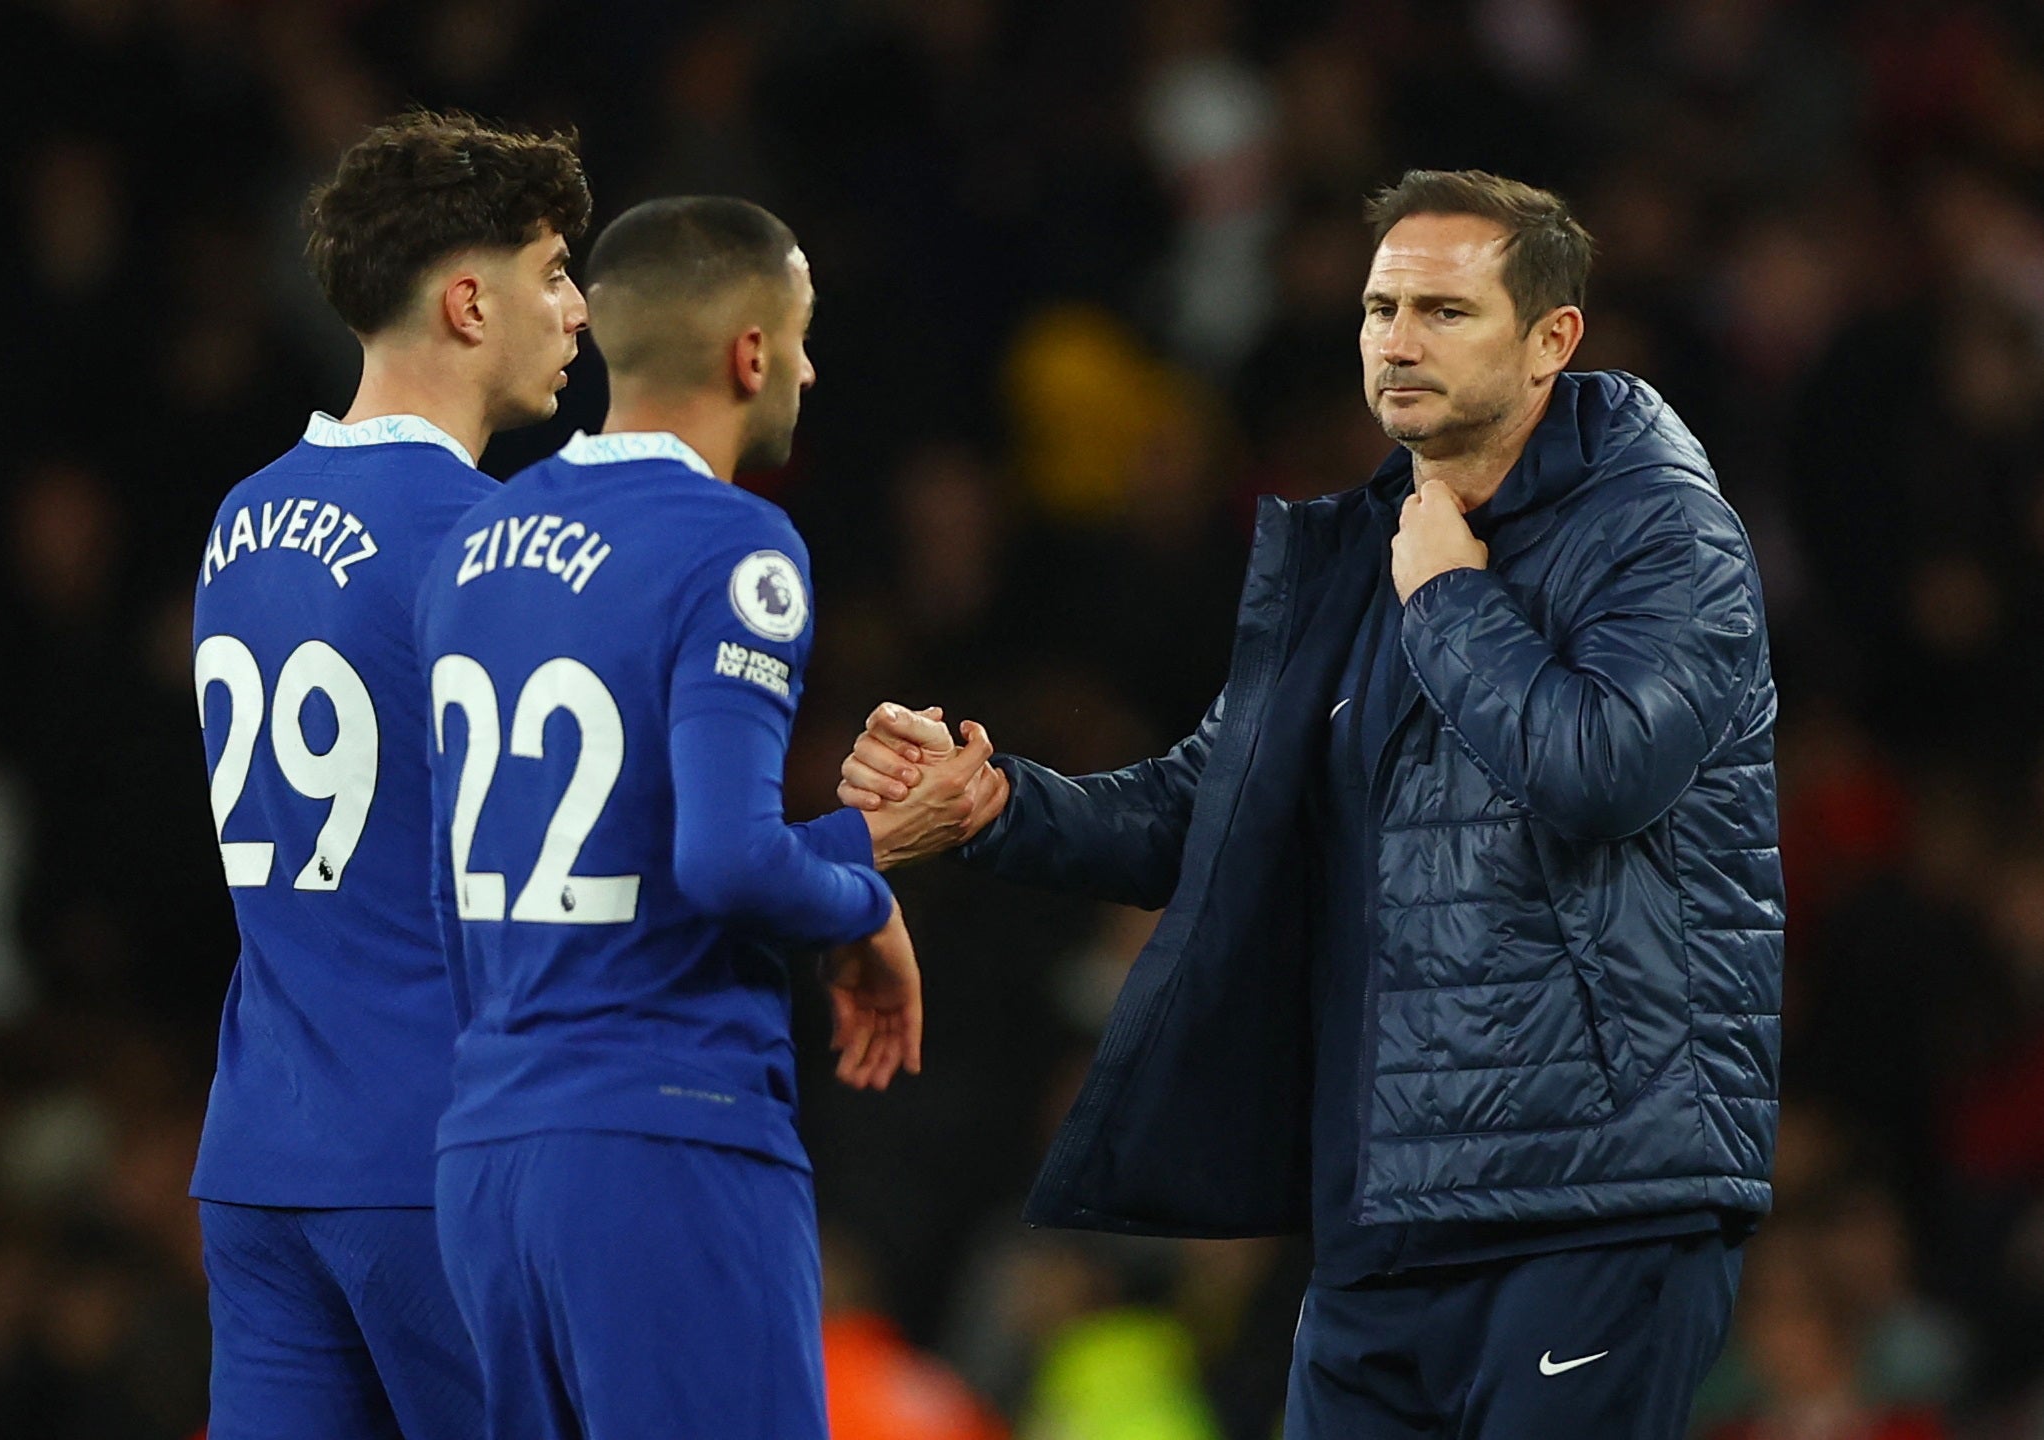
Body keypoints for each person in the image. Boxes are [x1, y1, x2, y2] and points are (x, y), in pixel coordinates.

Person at [841, 169, 1784, 1440]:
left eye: (1442, 311)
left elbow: (1600, 770)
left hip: (1592, 1198)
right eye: (1377, 307)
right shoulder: (1372, 547)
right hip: (1381, 1209)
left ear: (1550, 338)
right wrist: (999, 800)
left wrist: (1450, 602)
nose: (1395, 340)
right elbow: (1203, 807)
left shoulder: (1661, 533)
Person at [417, 196, 986, 1440]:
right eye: (802, 335)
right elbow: (726, 861)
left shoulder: (474, 543)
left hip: (486, 1153)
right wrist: (869, 889)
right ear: (749, 352)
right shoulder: (734, 548)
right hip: (661, 1137)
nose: (810, 366)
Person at [189, 111, 590, 1440]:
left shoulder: (240, 521)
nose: (578, 308)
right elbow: (611, 869)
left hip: (260, 1163)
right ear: (468, 302)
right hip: (439, 1164)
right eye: (551, 271)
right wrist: (861, 851)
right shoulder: (494, 547)